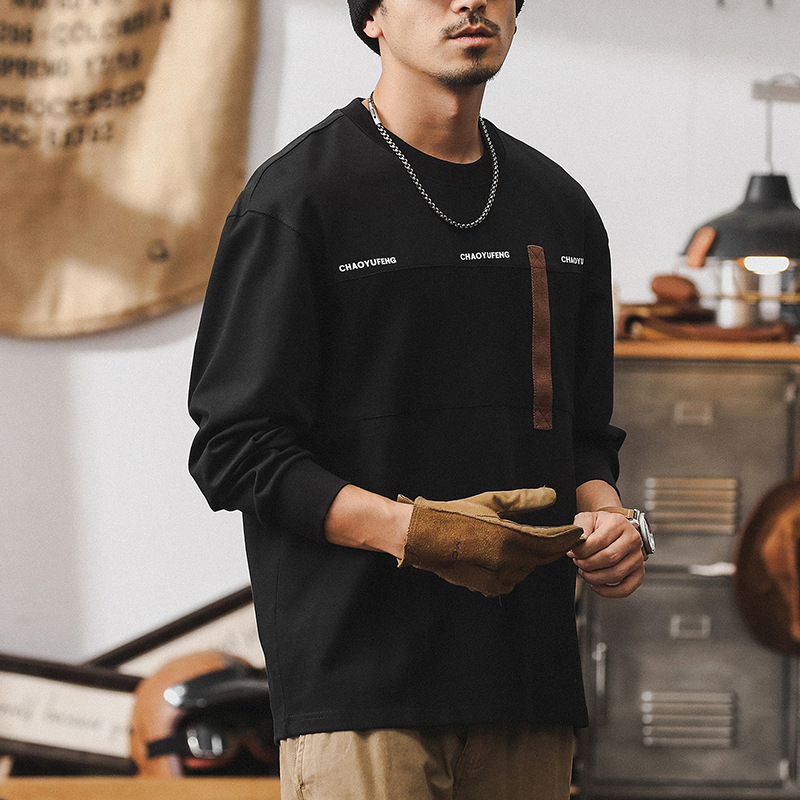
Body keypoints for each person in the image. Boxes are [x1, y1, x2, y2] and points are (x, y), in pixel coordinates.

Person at [188, 1, 647, 798]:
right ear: (373, 16)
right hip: (361, 693)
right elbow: (236, 449)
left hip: (527, 687)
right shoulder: (298, 200)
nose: (469, 2)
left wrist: (611, 518)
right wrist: (418, 533)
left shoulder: (560, 208)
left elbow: (582, 436)